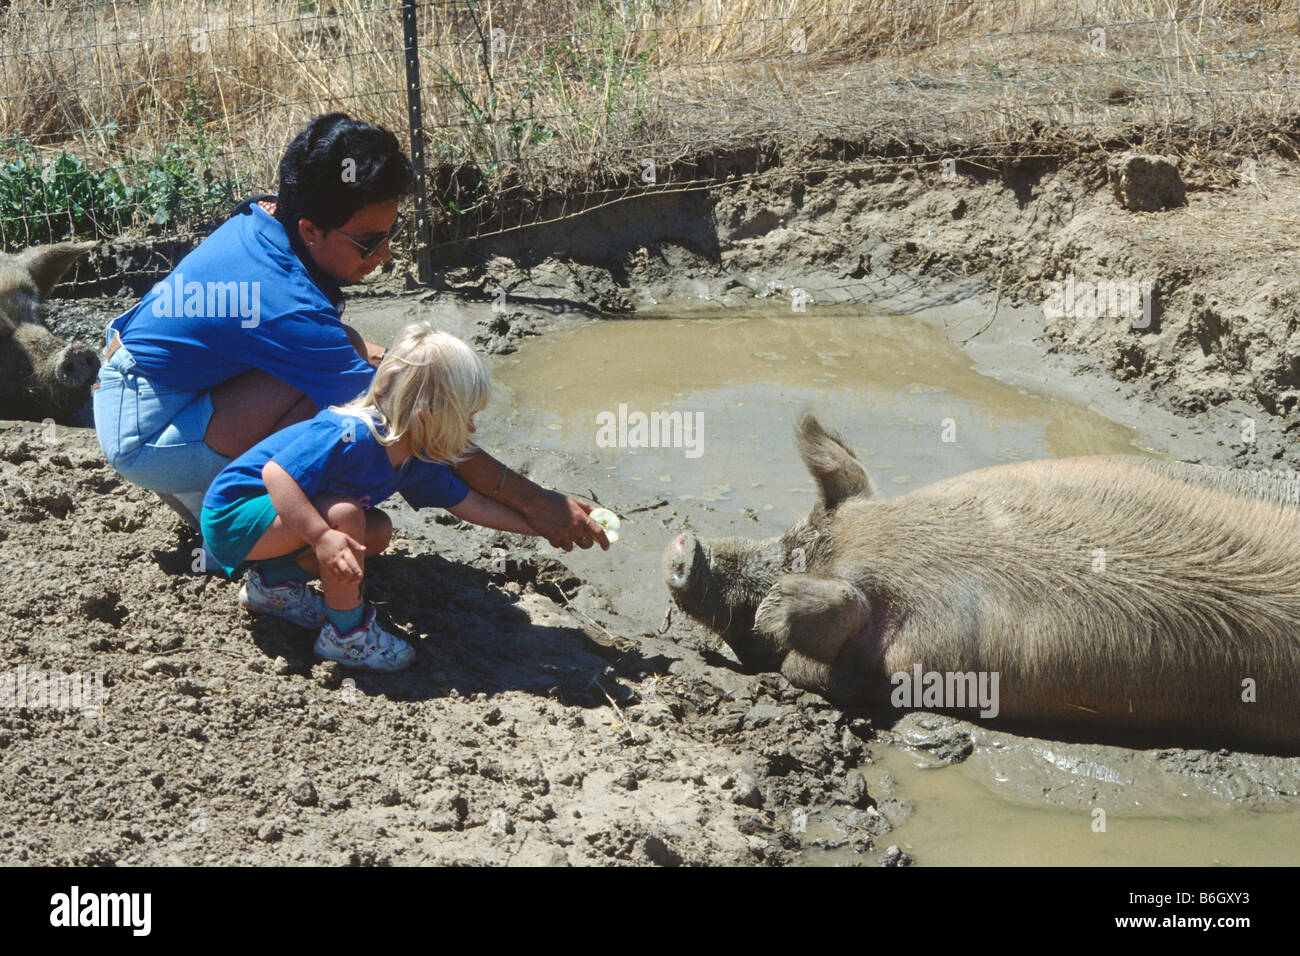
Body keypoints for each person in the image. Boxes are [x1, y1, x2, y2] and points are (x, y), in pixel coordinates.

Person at [92, 112, 606, 551]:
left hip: (145, 377)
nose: (385, 256)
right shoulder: (285, 303)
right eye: (368, 242)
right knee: (357, 409)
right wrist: (539, 503)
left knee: (355, 352)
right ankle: (237, 517)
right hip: (143, 429)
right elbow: (400, 411)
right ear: (310, 230)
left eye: (392, 233)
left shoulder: (275, 215)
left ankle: (216, 486)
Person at [201, 323, 537, 672]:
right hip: (232, 517)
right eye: (465, 418)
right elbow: (276, 474)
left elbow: (471, 504)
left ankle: (272, 587)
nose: (471, 431)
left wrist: (541, 528)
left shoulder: (416, 455)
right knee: (345, 516)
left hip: (275, 522)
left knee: (375, 531)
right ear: (429, 414)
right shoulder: (352, 434)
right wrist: (321, 535)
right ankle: (346, 638)